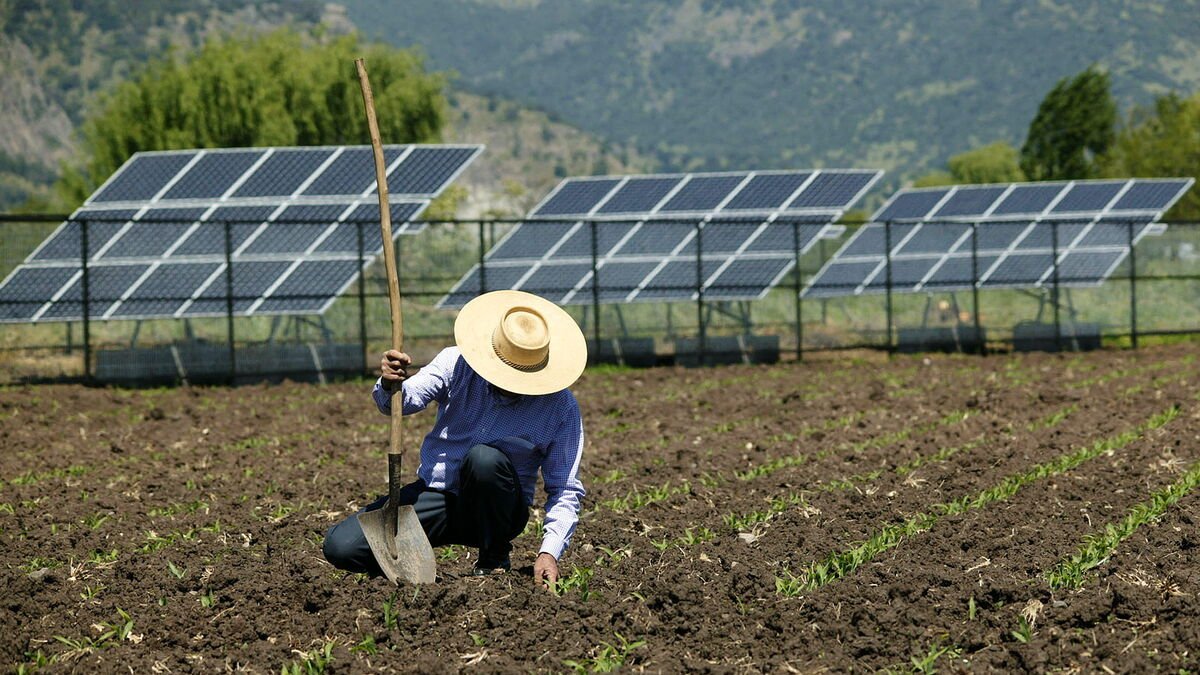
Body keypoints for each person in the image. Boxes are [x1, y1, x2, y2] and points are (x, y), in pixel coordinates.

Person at [323, 290, 587, 585]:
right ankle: (404, 568)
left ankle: (494, 557)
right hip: (440, 495)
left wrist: (549, 552)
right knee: (341, 547)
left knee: (484, 459)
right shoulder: (455, 363)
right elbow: (401, 402)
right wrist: (390, 382)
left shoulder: (559, 407)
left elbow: (564, 488)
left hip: (500, 511)